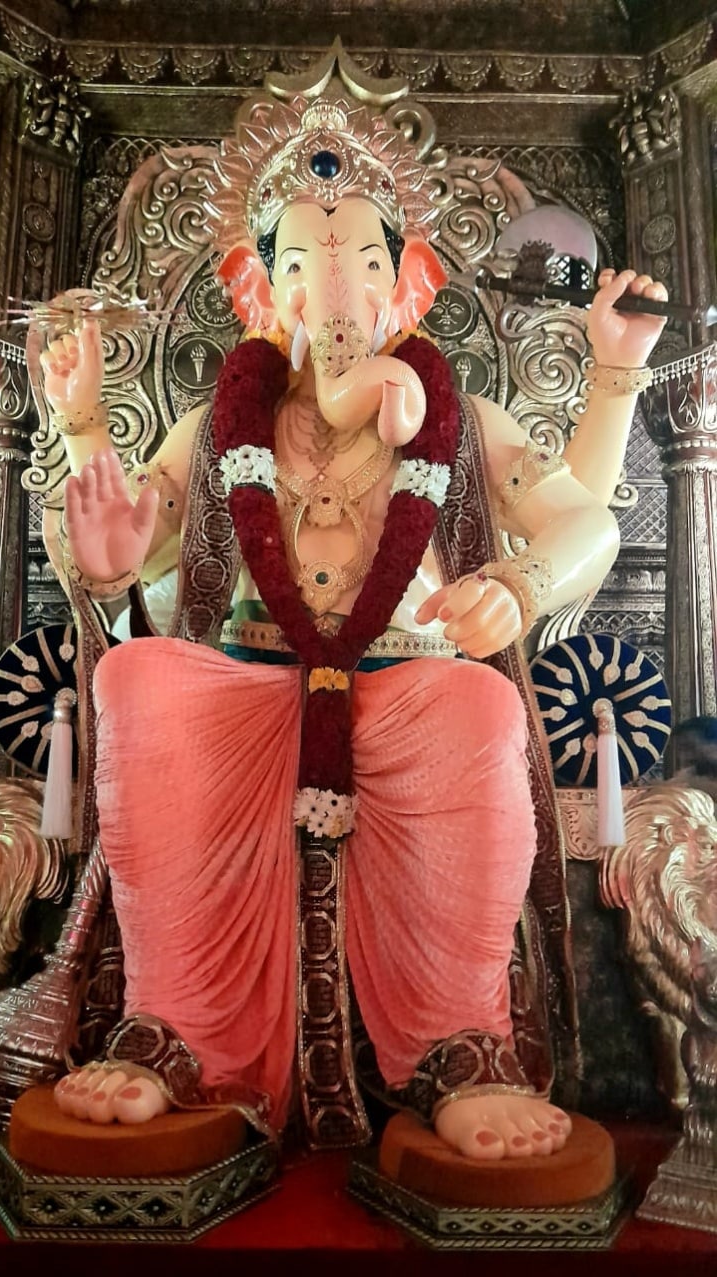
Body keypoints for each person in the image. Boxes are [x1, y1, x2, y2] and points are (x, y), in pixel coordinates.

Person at [36, 91, 667, 1161]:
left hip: (403, 678)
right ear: (260, 289)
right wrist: (95, 491)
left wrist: (517, 581)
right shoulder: (221, 423)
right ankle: (173, 1028)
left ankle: (462, 1043)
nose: (332, 291)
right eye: (301, 265)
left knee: (476, 705)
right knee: (140, 681)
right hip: (249, 676)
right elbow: (127, 539)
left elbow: (581, 519)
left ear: (403, 281)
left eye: (363, 263)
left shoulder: (459, 420)